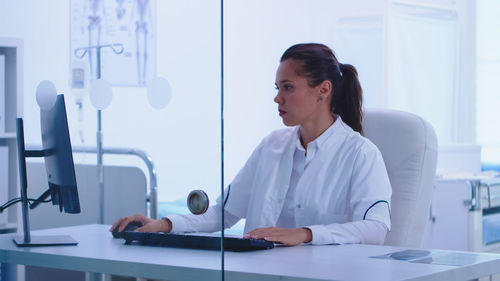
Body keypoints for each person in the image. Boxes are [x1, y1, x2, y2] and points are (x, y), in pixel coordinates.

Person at [110, 43, 392, 246]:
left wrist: (306, 233)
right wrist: (163, 225)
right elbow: (225, 213)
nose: (277, 98)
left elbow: (376, 228)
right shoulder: (272, 146)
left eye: (288, 87)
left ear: (323, 90)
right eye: (277, 88)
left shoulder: (361, 155)